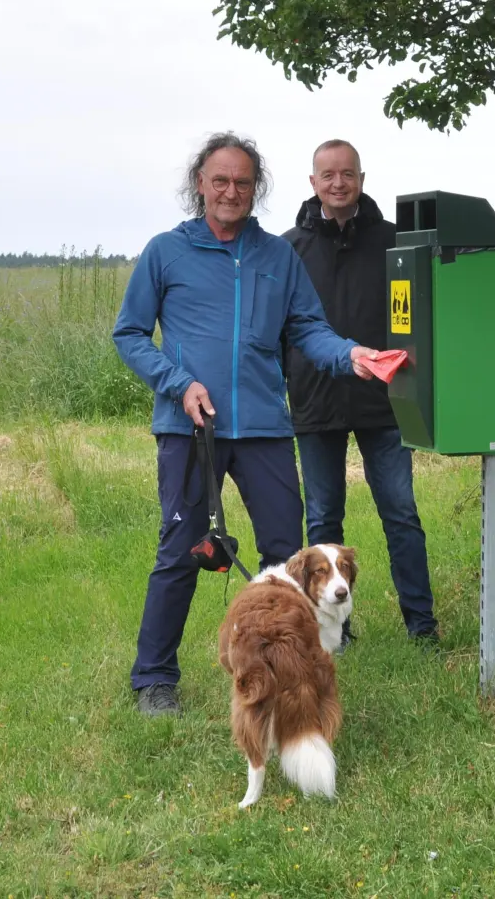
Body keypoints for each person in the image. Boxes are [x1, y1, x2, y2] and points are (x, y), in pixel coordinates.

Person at [112, 132, 380, 717]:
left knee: (288, 557)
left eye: (243, 182)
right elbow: (129, 334)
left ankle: (297, 673)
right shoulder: (166, 252)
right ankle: (154, 680)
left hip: (262, 429)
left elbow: (307, 327)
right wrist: (178, 383)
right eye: (220, 181)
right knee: (181, 551)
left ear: (256, 188)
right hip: (192, 430)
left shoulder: (277, 257)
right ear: (200, 186)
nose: (232, 191)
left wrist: (351, 355)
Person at [282, 139, 439, 648]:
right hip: (316, 402)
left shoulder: (395, 243)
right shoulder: (288, 249)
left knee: (400, 512)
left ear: (361, 178)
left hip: (383, 404)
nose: (338, 183)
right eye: (327, 175)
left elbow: (417, 319)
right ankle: (334, 634)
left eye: (347, 173)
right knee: (323, 520)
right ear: (312, 183)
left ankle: (422, 626)